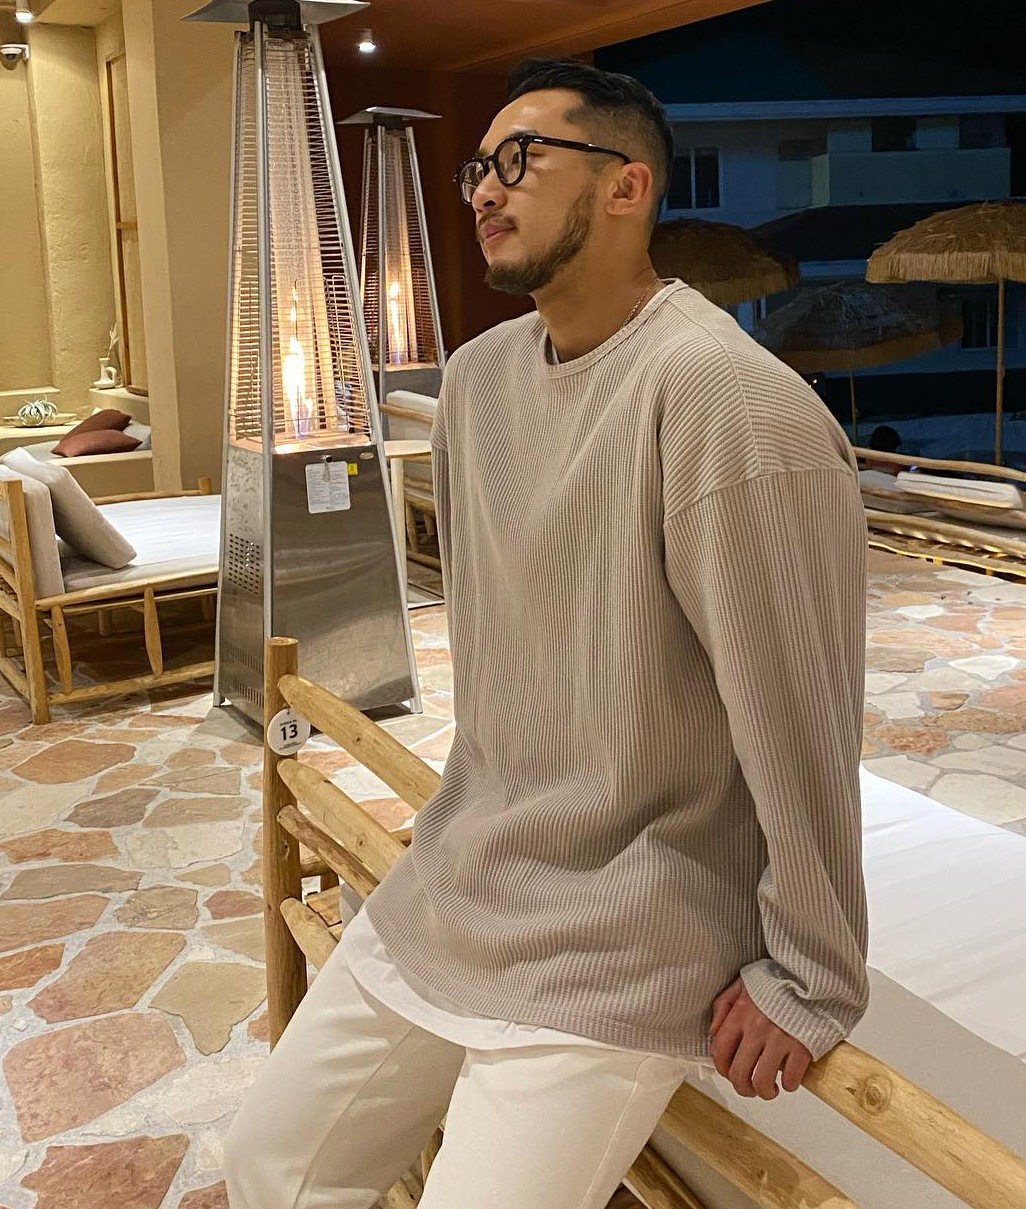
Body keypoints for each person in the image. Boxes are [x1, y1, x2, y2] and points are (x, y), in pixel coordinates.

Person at [224, 58, 869, 1209]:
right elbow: (509, 654)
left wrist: (813, 972)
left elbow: (801, 711)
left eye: (521, 159)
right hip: (468, 871)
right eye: (479, 165)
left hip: (630, 925)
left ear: (627, 186)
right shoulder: (478, 382)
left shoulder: (728, 401)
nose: (484, 186)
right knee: (268, 1161)